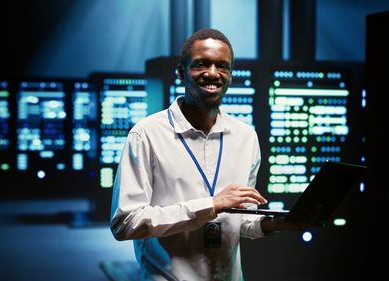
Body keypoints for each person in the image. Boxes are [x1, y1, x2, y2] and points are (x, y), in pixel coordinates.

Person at [110, 28, 304, 281]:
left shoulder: (246, 136)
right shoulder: (146, 134)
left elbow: (239, 221)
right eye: (201, 64)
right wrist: (210, 205)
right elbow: (125, 223)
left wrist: (275, 224)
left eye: (222, 66)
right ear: (180, 72)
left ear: (231, 76)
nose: (212, 73)